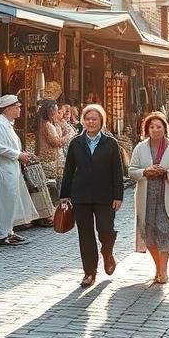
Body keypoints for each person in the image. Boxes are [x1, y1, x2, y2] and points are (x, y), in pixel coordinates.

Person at [59, 104, 126, 287]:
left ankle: (107, 252)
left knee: (106, 230)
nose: (91, 122)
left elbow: (117, 171)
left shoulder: (110, 143)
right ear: (83, 121)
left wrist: (118, 196)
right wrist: (64, 194)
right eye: (87, 119)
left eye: (94, 119)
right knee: (85, 234)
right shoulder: (75, 143)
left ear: (101, 121)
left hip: (105, 196)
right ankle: (89, 273)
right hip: (81, 196)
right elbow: (69, 170)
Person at [128, 112, 169, 284]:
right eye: (152, 127)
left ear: (164, 128)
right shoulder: (140, 148)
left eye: (158, 127)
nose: (155, 130)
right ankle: (158, 268)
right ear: (147, 129)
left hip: (166, 197)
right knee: (150, 235)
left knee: (166, 232)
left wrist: (166, 172)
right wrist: (145, 171)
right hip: (146, 198)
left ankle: (164, 271)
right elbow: (131, 170)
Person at [0, 94, 38, 245]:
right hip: (4, 170)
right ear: (9, 108)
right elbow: (0, 147)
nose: (19, 110)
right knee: (4, 201)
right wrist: (19, 155)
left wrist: (21, 154)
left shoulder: (7, 124)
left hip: (10, 169)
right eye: (17, 107)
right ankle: (2, 235)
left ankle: (8, 231)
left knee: (10, 200)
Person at [38, 100, 75, 180]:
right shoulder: (47, 125)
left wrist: (63, 125)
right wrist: (69, 135)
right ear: (51, 112)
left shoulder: (54, 123)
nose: (58, 113)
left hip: (57, 162)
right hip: (50, 163)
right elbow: (56, 142)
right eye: (56, 111)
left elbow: (66, 131)